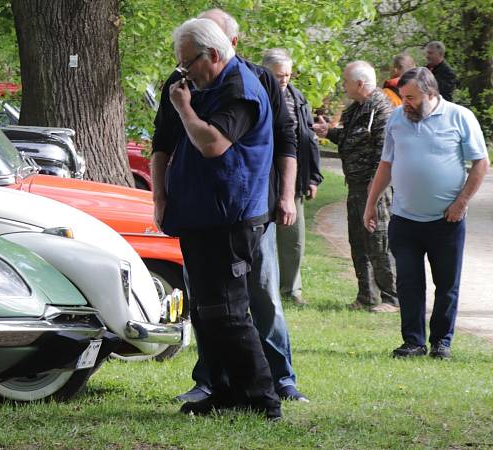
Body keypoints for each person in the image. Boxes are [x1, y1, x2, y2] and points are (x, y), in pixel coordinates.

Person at [153, 9, 307, 406]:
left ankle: (264, 397)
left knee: (231, 309)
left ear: (214, 55)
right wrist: (161, 197)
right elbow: (164, 141)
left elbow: (213, 144)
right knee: (207, 310)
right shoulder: (201, 82)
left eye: (187, 63)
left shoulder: (242, 88)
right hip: (200, 213)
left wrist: (184, 107)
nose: (182, 73)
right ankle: (222, 391)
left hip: (232, 215)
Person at [363, 67, 488, 359]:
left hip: (446, 220)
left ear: (431, 93)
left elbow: (481, 164)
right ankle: (413, 342)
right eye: (403, 96)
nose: (405, 102)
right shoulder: (397, 118)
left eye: (411, 97)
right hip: (404, 219)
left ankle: (442, 341)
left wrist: (461, 203)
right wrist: (371, 203)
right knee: (408, 283)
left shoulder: (460, 117)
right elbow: (386, 165)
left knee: (446, 284)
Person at [312, 61, 399, 313]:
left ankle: (392, 298)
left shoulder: (382, 110)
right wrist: (328, 131)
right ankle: (367, 296)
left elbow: (385, 154)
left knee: (378, 239)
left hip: (376, 187)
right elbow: (350, 138)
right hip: (356, 185)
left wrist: (375, 192)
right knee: (358, 240)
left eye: (346, 81)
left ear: (360, 83)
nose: (343, 85)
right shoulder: (356, 109)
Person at [262, 48, 323, 305]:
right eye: (278, 76)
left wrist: (313, 178)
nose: (284, 80)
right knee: (263, 237)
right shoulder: (255, 94)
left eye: (287, 75)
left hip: (293, 177)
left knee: (293, 238)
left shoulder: (298, 98)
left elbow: (309, 140)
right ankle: (265, 287)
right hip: (263, 176)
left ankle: (291, 290)